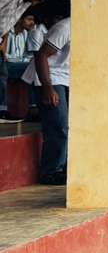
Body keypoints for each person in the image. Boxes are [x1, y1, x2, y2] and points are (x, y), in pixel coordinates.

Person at [26, 12, 71, 184]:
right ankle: (51, 171)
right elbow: (41, 56)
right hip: (50, 77)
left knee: (70, 126)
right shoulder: (66, 27)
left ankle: (64, 167)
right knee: (58, 125)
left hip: (68, 79)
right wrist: (47, 88)